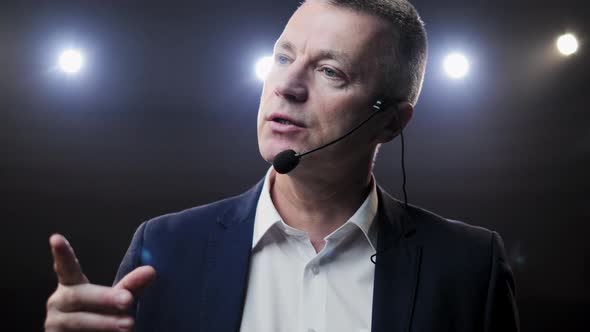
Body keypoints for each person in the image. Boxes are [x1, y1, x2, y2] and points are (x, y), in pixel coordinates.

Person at [45, 0, 520, 331]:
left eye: (330, 71)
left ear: (391, 123)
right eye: (282, 56)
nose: (287, 85)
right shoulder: (166, 247)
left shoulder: (469, 267)